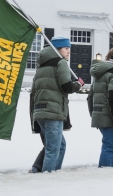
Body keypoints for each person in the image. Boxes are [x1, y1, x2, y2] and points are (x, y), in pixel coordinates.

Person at [29, 37, 81, 172]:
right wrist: (78, 84)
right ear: (58, 49)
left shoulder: (42, 65)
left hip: (39, 111)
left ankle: (43, 171)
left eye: (69, 48)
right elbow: (66, 87)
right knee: (53, 148)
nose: (69, 51)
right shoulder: (61, 62)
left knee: (59, 145)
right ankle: (47, 178)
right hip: (53, 111)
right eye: (66, 48)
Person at [89, 46, 113, 167]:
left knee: (112, 143)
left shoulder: (98, 73)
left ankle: (106, 169)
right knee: (110, 145)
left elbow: (90, 96)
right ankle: (105, 171)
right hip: (109, 115)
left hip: (98, 112)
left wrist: (93, 114)